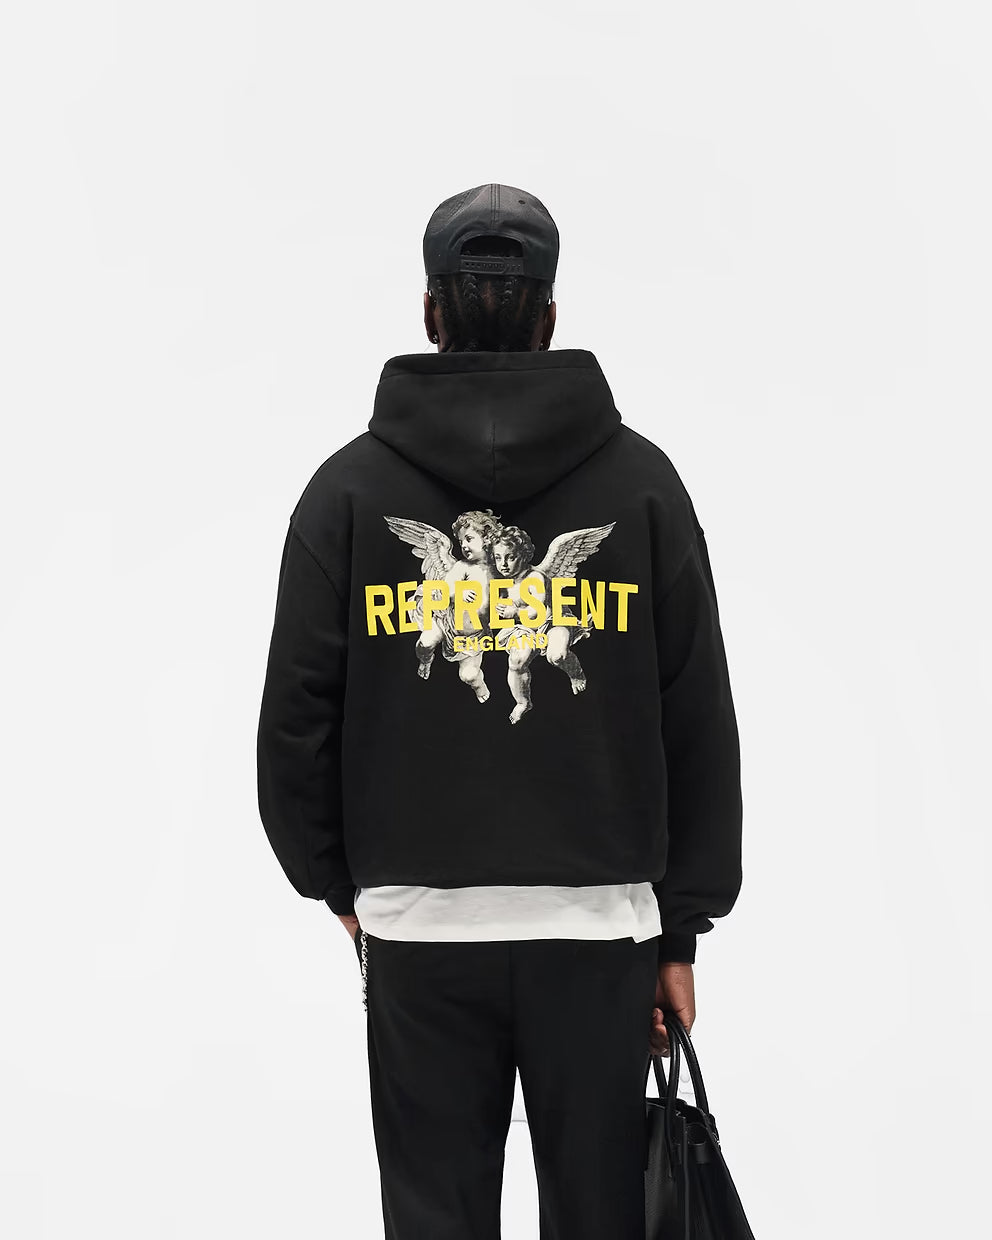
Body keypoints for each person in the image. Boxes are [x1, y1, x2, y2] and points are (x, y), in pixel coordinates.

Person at [256, 182, 744, 1239]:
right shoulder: (645, 488)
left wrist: (339, 885)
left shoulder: (345, 496)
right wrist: (678, 933)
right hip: (600, 936)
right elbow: (697, 720)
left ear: (430, 311)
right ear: (550, 315)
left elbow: (295, 722)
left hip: (417, 932)